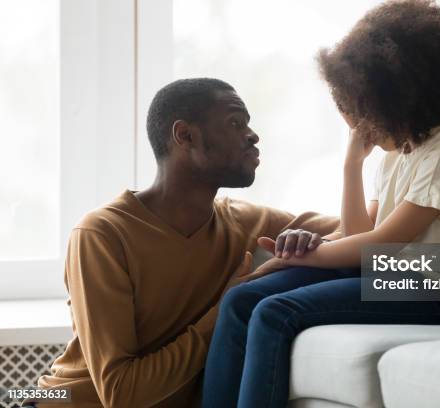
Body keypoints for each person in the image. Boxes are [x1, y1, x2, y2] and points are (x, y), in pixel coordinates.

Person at [201, 1, 440, 407]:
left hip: (437, 289)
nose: (356, 125)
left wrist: (305, 257)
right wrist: (352, 165)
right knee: (240, 302)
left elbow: (383, 246)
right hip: (392, 276)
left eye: (358, 112)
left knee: (275, 313)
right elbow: (361, 236)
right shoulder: (403, 153)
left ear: (392, 101)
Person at [28, 78, 339, 408]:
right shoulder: (102, 234)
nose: (252, 135)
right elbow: (121, 395)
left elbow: (369, 237)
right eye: (236, 123)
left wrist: (318, 243)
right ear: (185, 135)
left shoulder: (247, 222)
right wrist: (228, 306)